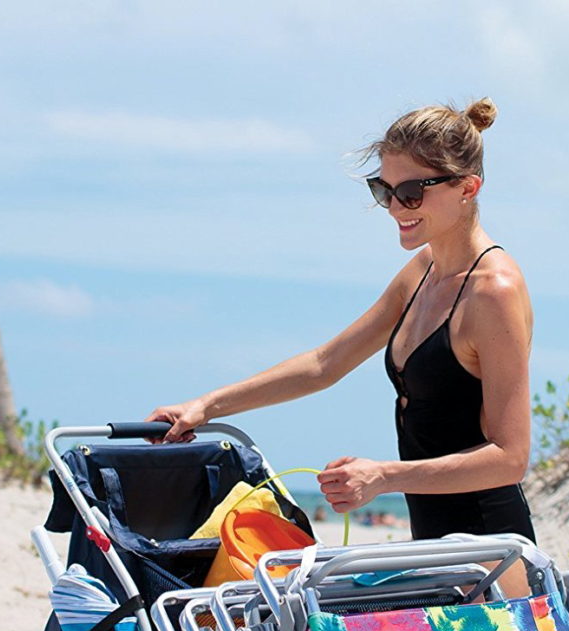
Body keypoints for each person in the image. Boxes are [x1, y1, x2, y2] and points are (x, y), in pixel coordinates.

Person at [146, 97, 536, 545]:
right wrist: (206, 406)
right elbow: (324, 364)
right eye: (383, 190)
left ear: (468, 188)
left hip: (491, 547)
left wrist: (383, 477)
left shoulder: (494, 291)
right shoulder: (423, 271)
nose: (394, 207)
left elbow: (510, 457)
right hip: (435, 544)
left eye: (411, 193)